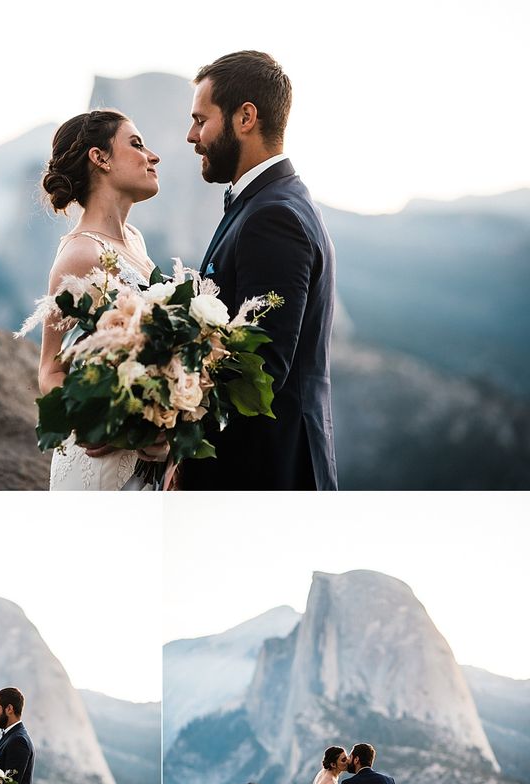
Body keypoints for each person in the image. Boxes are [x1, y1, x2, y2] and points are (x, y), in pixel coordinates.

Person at [181, 50, 338, 491]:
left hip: (261, 475)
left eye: (201, 119)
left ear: (245, 117)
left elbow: (261, 368)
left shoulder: (274, 217)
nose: (192, 136)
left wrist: (169, 411)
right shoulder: (270, 201)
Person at [32, 109, 167, 490]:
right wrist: (95, 422)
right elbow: (51, 369)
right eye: (137, 145)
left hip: (148, 462)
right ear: (100, 158)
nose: (152, 156)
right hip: (102, 462)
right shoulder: (81, 254)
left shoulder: (136, 241)